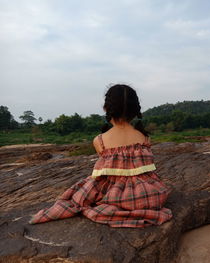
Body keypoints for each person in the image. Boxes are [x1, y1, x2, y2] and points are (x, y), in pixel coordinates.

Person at [28, 84, 173, 228]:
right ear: (135, 110)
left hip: (113, 194)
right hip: (148, 194)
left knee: (82, 191)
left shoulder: (99, 141)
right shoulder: (145, 138)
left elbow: (106, 175)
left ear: (106, 108)